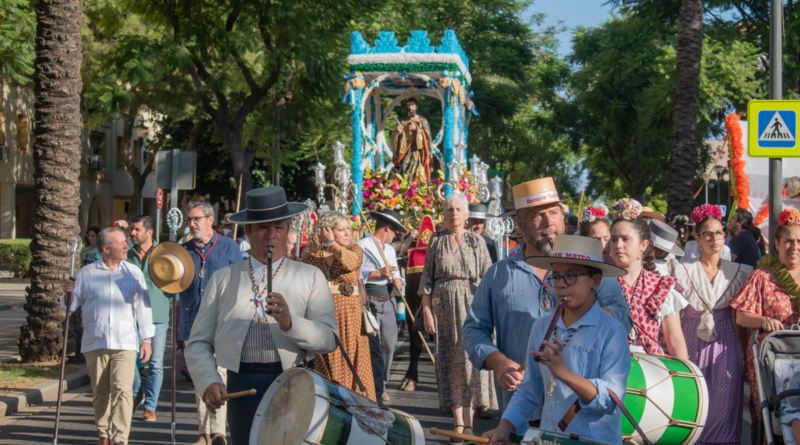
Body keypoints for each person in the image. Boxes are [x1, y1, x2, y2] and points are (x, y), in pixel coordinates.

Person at [463, 179, 631, 427]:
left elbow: (623, 318)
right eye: (537, 215)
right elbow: (473, 329)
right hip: (521, 410)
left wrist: (580, 318)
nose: (548, 222)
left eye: (554, 213)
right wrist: (499, 363)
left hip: (580, 414)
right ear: (520, 224)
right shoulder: (498, 274)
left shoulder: (591, 267)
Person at [185, 187, 337, 445]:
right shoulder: (223, 279)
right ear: (247, 231)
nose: (271, 235)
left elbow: (329, 339)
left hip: (296, 385)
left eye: (278, 227)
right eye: (262, 228)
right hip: (242, 387)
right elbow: (198, 342)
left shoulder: (310, 276)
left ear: (287, 231)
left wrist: (290, 323)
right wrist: (209, 381)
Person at [482, 236, 630, 445]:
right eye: (556, 276)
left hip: (595, 440)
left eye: (571, 276)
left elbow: (611, 399)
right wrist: (503, 428)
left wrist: (564, 373)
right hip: (551, 437)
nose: (561, 284)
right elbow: (529, 390)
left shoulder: (612, 331)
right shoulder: (541, 327)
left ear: (595, 281)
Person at [61, 227, 154, 445]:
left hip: (125, 342)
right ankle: (104, 434)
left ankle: (120, 438)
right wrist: (66, 293)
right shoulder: (86, 273)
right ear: (105, 248)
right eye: (120, 242)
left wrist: (147, 339)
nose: (126, 246)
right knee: (100, 392)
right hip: (96, 341)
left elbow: (143, 307)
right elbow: (71, 306)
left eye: (126, 241)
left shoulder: (133, 272)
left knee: (123, 390)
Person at [420, 192, 497, 441]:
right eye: (450, 209)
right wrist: (427, 312)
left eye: (458, 209)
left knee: (470, 362)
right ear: (444, 214)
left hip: (472, 306)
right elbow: (426, 280)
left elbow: (488, 278)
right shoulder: (436, 240)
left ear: (467, 214)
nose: (454, 213)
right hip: (443, 308)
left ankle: (470, 424)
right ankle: (458, 424)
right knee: (450, 361)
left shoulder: (478, 241)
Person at [673, 204, 752, 445]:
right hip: (690, 338)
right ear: (697, 238)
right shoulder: (682, 270)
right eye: (707, 234)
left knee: (725, 403)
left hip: (726, 341)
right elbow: (674, 314)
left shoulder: (740, 272)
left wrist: (744, 356)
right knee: (693, 400)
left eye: (719, 233)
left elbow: (740, 319)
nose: (714, 238)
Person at [730, 208, 800, 445]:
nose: (794, 247)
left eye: (799, 241)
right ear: (777, 244)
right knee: (770, 418)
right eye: (788, 241)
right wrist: (763, 321)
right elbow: (741, 316)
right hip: (770, 361)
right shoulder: (762, 277)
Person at [180, 200, 243, 445]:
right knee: (200, 376)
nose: (192, 224)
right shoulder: (183, 250)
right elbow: (170, 286)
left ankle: (218, 432)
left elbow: (239, 282)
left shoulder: (229, 246)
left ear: (209, 220)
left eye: (196, 219)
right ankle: (203, 432)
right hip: (192, 321)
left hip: (222, 322)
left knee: (220, 376)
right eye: (189, 220)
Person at [301, 211, 375, 400]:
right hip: (322, 314)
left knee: (351, 359)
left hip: (350, 316)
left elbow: (351, 263)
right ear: (326, 230)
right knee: (326, 360)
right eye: (341, 230)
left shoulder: (354, 250)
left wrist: (331, 243)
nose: (347, 233)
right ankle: (331, 402)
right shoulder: (311, 255)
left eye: (348, 229)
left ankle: (355, 404)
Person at [609, 198, 688, 358]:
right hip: (608, 362)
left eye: (625, 239)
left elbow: (675, 340)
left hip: (650, 365)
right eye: (614, 239)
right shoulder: (599, 282)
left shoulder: (659, 286)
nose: (618, 245)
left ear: (643, 245)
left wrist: (681, 371)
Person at [357, 209, 407, 402]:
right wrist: (378, 273)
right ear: (387, 228)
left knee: (389, 345)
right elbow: (356, 274)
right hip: (370, 299)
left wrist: (399, 281)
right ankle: (376, 389)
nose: (396, 235)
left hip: (389, 300)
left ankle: (382, 383)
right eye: (395, 231)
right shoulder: (362, 246)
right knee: (374, 348)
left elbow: (396, 274)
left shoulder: (390, 250)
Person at [125, 215, 171, 422]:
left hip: (158, 314)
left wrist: (169, 305)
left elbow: (176, 281)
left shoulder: (164, 253)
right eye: (131, 229)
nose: (132, 233)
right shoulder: (126, 255)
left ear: (149, 232)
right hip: (131, 315)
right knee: (130, 360)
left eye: (136, 229)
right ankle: (137, 394)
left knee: (156, 363)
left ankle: (150, 406)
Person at [399, 215, 435, 392]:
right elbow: (398, 253)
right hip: (414, 290)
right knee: (414, 330)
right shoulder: (409, 244)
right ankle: (412, 370)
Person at [391, 97, 433, 181]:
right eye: (408, 105)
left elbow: (427, 135)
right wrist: (399, 133)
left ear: (416, 106)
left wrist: (417, 130)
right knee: (405, 167)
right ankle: (406, 184)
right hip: (406, 149)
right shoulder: (404, 121)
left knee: (418, 170)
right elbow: (398, 135)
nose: (410, 107)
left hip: (418, 150)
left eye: (412, 105)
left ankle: (418, 184)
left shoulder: (422, 120)